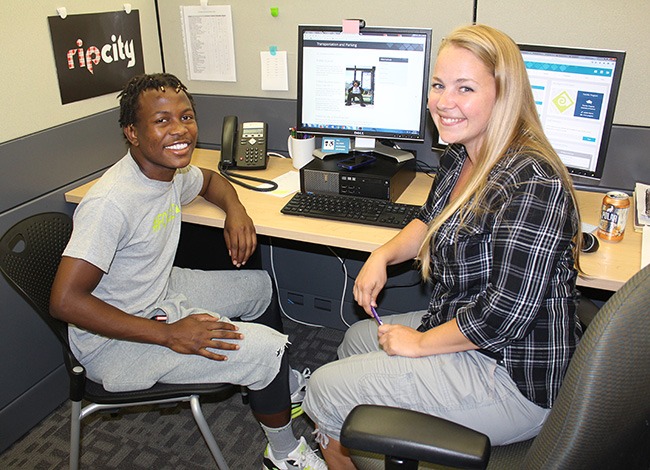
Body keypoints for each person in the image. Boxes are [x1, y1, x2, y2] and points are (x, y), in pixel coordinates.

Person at [302, 24, 583, 468]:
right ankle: (346, 437)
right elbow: (429, 221)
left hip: (511, 376)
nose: (442, 102)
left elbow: (502, 317)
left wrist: (420, 344)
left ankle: (338, 436)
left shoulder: (533, 182)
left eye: (464, 88)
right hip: (468, 328)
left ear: (504, 94)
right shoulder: (462, 153)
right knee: (357, 340)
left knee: (323, 388)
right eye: (438, 85)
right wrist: (383, 254)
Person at [50, 73, 326, 470]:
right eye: (162, 121)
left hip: (156, 290)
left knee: (260, 286)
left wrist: (237, 212)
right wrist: (168, 334)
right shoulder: (112, 203)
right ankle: (283, 454)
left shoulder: (164, 172)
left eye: (187, 116)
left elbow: (212, 180)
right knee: (267, 349)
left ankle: (272, 384)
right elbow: (64, 301)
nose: (180, 130)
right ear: (132, 132)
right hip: (113, 342)